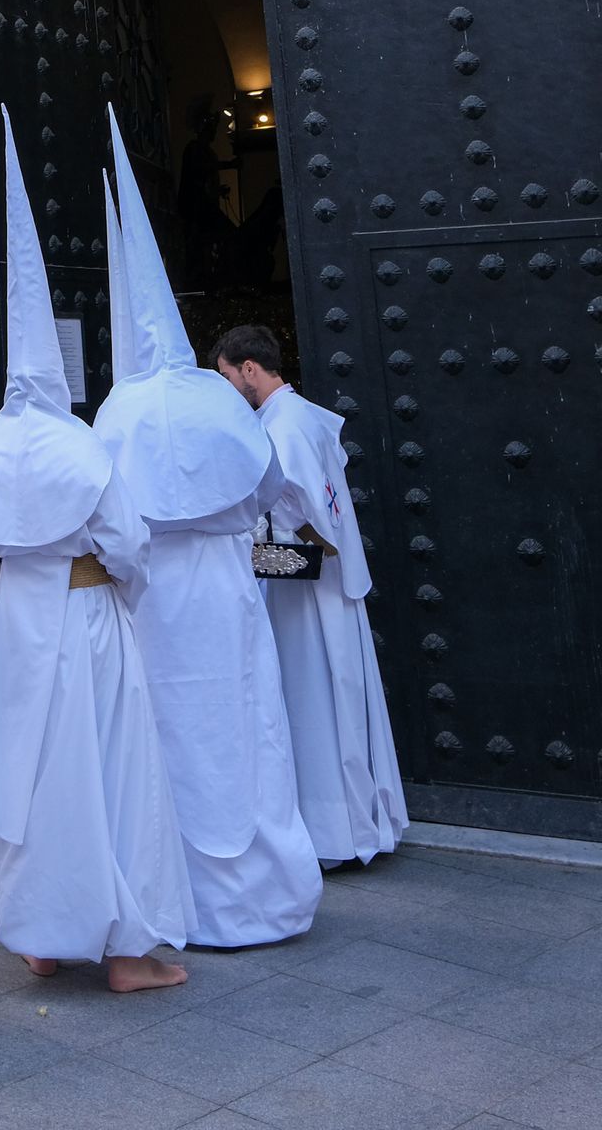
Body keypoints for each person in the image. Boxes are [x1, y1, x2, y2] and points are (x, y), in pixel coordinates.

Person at [0, 114, 192, 993]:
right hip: (89, 619)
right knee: (112, 769)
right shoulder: (84, 448)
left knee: (36, 769)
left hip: (21, 623)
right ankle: (127, 948)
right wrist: (118, 589)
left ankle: (41, 932)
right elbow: (127, 544)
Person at [95, 111, 321, 949]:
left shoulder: (117, 411)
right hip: (226, 589)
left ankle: (180, 891)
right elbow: (270, 486)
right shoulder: (220, 401)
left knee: (173, 740)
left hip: (155, 595)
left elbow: (105, 511)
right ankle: (259, 895)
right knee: (244, 730)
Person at [213, 323, 407, 868]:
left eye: (228, 376)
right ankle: (348, 824)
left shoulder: (285, 426)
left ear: (249, 369)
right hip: (317, 587)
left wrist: (247, 545)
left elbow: (300, 514)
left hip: (305, 589)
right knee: (331, 697)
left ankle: (333, 833)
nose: (229, 388)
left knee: (314, 701)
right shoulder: (297, 416)